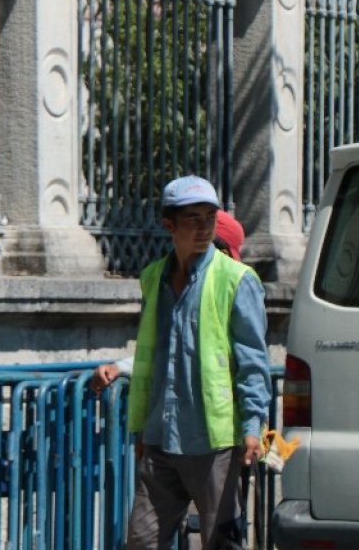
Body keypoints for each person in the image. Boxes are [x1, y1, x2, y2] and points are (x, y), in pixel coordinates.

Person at [116, 176, 271, 550]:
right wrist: (142, 428)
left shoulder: (237, 279)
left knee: (221, 541)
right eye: (193, 218)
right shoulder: (153, 278)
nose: (204, 228)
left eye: (209, 218)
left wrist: (253, 425)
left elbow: (253, 359)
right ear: (169, 224)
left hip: (214, 442)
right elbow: (153, 356)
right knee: (142, 541)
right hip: (161, 437)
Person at [90, 208, 247, 392]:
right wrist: (119, 368)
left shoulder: (235, 293)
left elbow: (248, 366)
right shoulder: (163, 286)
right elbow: (165, 354)